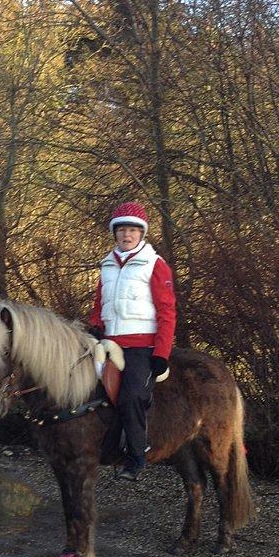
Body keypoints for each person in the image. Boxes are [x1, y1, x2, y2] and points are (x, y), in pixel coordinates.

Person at [88, 201, 177, 481]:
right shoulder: (107, 264)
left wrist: (161, 353)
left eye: (132, 231)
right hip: (110, 344)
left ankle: (137, 455)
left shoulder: (155, 264)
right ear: (115, 233)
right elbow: (100, 303)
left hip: (142, 345)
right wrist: (96, 327)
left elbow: (167, 311)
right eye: (122, 230)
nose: (127, 235)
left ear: (142, 234)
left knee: (131, 396)